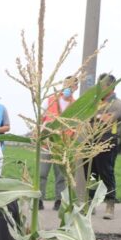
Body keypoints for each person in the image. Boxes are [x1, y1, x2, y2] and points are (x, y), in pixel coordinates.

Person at [87, 73, 121, 219]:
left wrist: (95, 117)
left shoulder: (117, 104)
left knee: (106, 173)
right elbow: (86, 117)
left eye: (102, 85)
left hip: (108, 142)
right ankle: (90, 203)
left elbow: (107, 120)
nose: (99, 87)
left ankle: (110, 204)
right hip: (91, 142)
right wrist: (98, 117)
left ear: (110, 86)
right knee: (91, 174)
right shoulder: (95, 102)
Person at [40, 76, 77, 210]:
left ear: (75, 88)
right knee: (42, 173)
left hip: (63, 145)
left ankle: (59, 201)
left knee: (60, 175)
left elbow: (77, 125)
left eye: (72, 86)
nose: (68, 88)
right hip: (47, 143)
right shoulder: (51, 99)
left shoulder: (76, 104)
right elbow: (40, 118)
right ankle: (39, 199)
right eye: (66, 85)